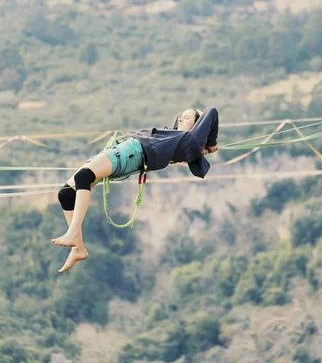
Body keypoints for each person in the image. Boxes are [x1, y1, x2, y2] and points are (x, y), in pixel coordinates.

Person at [52, 107, 219, 273]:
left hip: (132, 152)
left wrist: (210, 141)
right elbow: (180, 124)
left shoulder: (188, 141)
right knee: (66, 194)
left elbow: (211, 111)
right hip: (124, 149)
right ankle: (78, 249)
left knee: (83, 177)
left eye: (187, 118)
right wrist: (202, 141)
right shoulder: (173, 136)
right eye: (180, 117)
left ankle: (73, 232)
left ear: (198, 125)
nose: (180, 119)